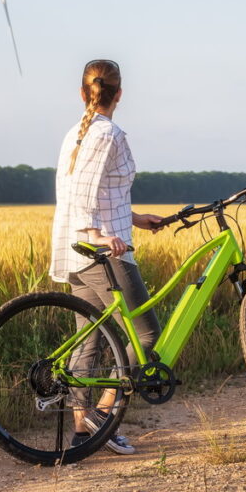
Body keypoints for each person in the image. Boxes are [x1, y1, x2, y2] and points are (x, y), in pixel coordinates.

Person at [49, 58, 162, 455]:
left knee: (90, 340)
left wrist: (134, 218)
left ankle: (84, 432)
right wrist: (99, 234)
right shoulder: (108, 133)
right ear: (120, 94)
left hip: (75, 249)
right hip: (101, 251)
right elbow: (83, 197)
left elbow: (97, 192)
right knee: (146, 333)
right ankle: (104, 412)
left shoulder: (76, 134)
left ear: (83, 93)